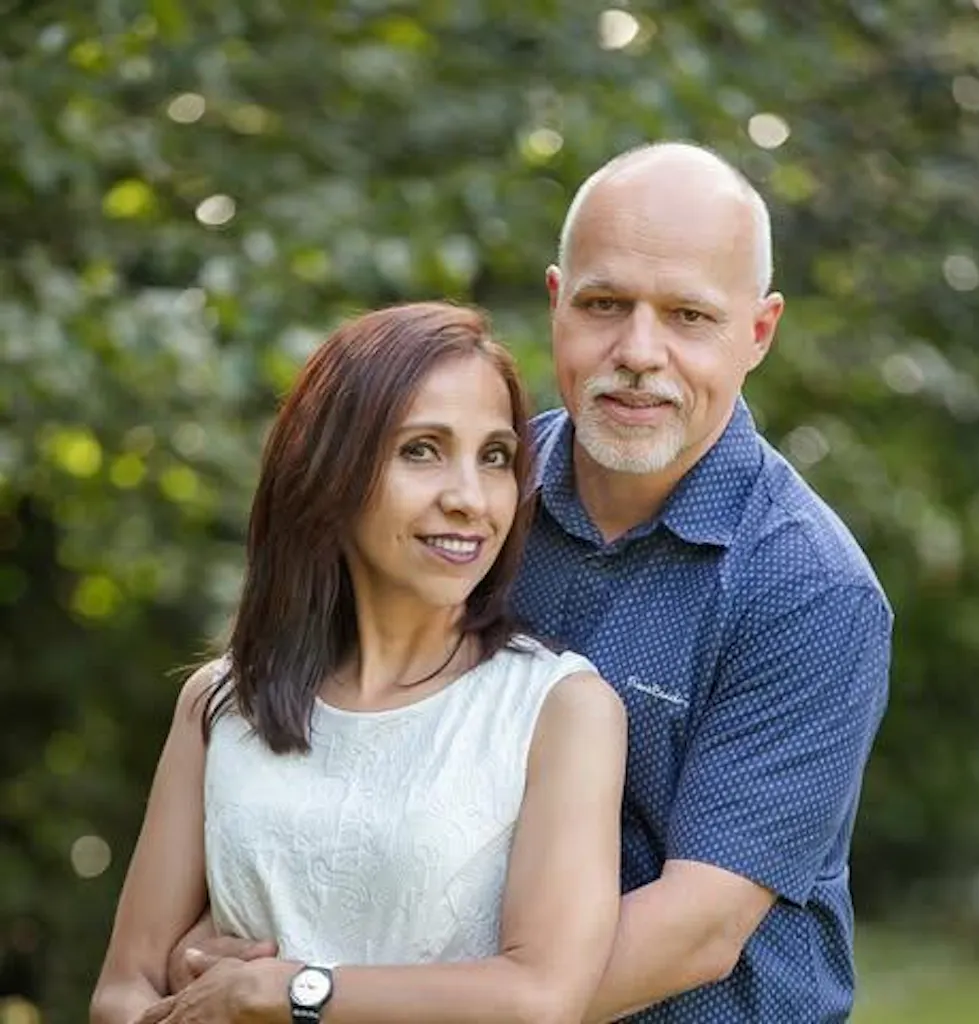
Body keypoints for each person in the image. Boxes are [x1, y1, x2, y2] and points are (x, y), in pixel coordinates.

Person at [169, 141, 893, 1022]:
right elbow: (336, 758)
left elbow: (696, 931)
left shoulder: (807, 589)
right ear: (557, 303)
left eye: (689, 316)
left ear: (759, 332)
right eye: (604, 304)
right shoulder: (468, 503)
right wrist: (231, 939)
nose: (640, 351)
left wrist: (326, 998)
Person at [89, 302, 627, 1024]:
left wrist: (287, 994)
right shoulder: (221, 703)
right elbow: (122, 991)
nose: (469, 499)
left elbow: (540, 998)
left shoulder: (560, 709)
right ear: (330, 472)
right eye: (422, 450)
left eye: (495, 457)